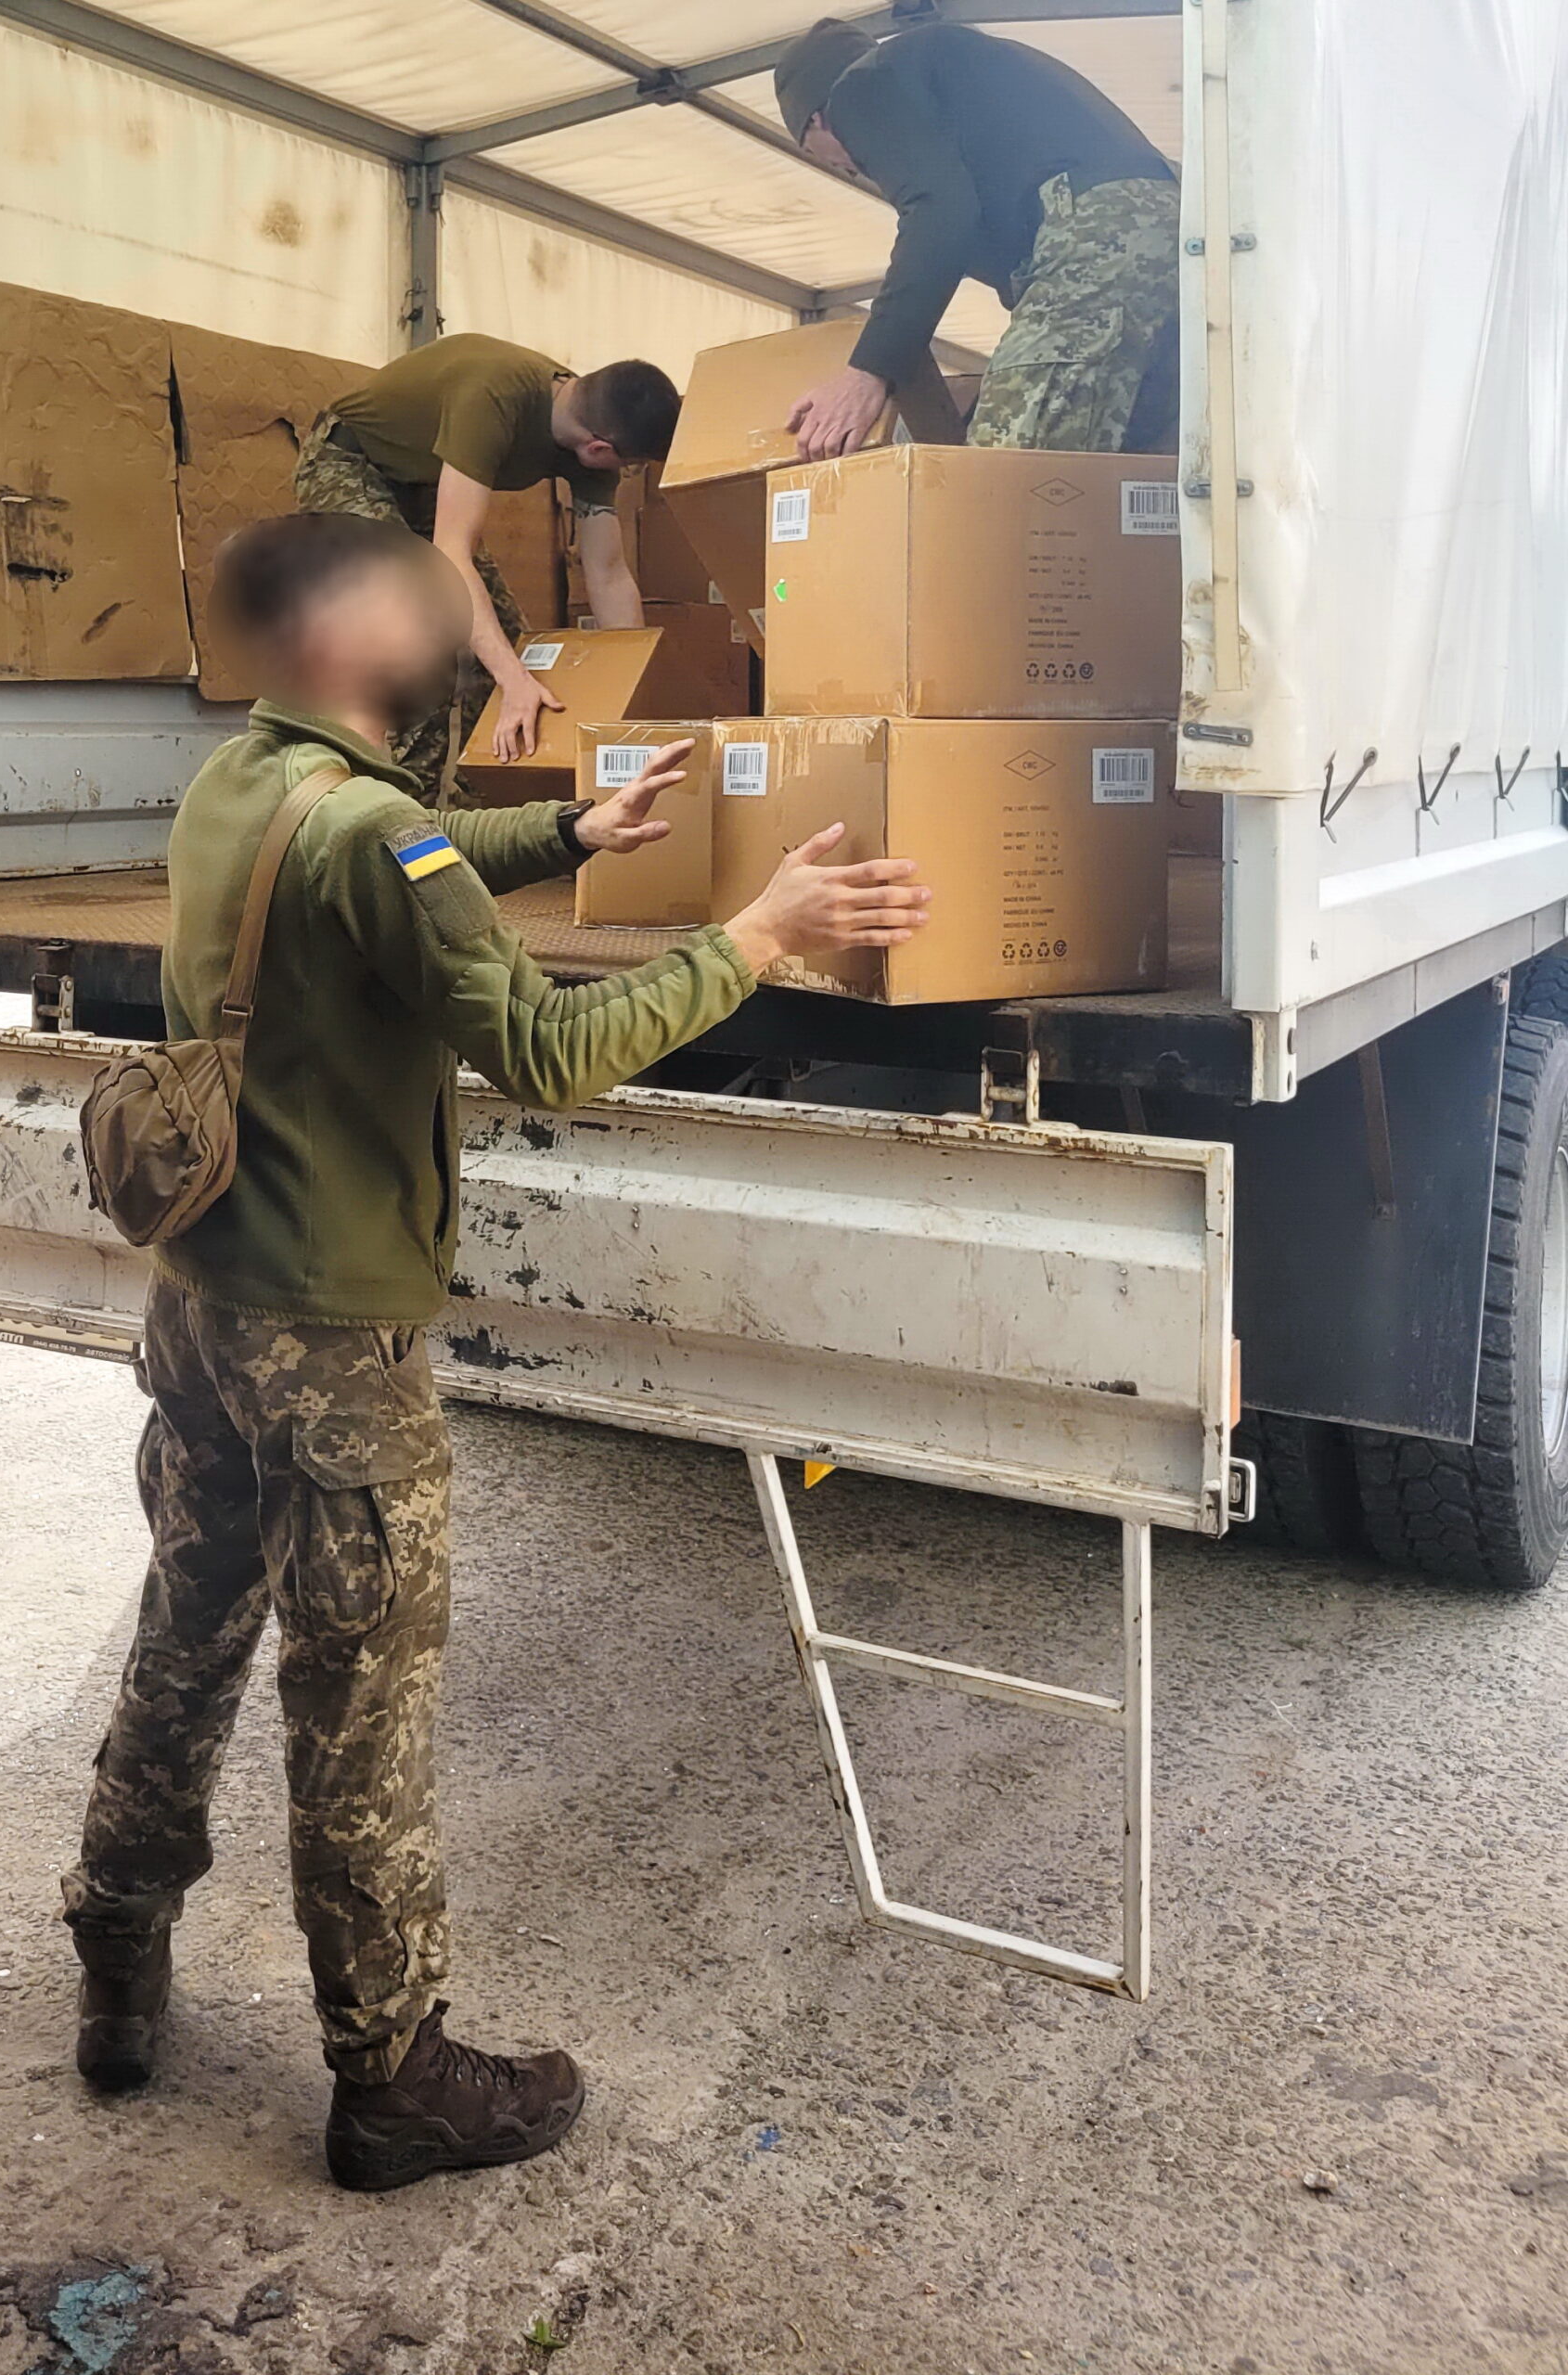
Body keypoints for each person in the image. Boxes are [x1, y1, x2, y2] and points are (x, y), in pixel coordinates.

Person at [59, 509, 930, 2192]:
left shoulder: (240, 785)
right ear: (340, 640)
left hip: (204, 1307)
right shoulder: (373, 831)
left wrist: (567, 830)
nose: (446, 631)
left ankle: (115, 1945)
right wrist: (756, 937)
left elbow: (396, 870)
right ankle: (390, 2075)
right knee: (359, 1701)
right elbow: (545, 1048)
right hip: (332, 1343)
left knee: (187, 1630)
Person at [294, 334, 680, 801]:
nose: (628, 473)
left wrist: (633, 694)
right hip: (347, 463)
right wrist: (513, 680)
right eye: (633, 465)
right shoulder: (493, 398)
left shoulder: (591, 437)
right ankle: (402, 815)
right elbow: (451, 556)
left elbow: (609, 572)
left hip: (424, 482)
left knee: (513, 648)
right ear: (599, 448)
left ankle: (485, 812)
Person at [772, 17, 1179, 459]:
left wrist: (868, 371)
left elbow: (937, 214)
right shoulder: (960, 87)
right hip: (1179, 236)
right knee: (1117, 470)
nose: (848, 168)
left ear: (817, 118)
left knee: (996, 475)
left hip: (1104, 233)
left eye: (817, 153)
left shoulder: (860, 88)